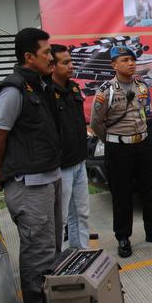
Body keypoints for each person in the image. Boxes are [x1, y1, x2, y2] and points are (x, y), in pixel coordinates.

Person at [0, 28, 61, 303]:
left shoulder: (40, 85)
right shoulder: (13, 90)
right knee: (38, 247)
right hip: (28, 182)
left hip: (48, 176)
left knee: (51, 244)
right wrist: (1, 170)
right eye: (46, 53)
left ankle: (50, 297)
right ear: (29, 57)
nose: (52, 58)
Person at [89, 45, 152, 258]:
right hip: (118, 148)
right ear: (114, 65)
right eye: (125, 60)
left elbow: (146, 113)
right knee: (122, 194)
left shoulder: (142, 86)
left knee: (149, 190)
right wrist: (112, 140)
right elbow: (96, 123)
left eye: (132, 59)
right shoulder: (105, 91)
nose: (131, 63)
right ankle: (123, 237)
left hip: (143, 144)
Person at [51, 44, 91, 249]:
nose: (70, 66)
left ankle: (82, 253)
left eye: (71, 61)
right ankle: (58, 261)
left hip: (79, 161)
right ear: (52, 66)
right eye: (65, 62)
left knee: (81, 213)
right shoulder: (47, 92)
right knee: (61, 218)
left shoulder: (74, 88)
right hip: (61, 166)